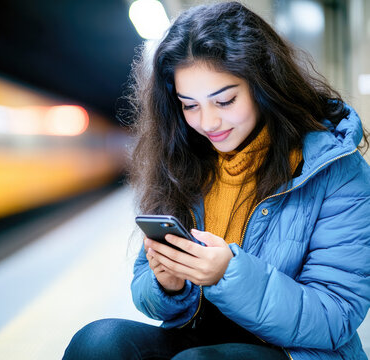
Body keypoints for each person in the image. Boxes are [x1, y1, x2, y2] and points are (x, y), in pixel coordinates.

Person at [63, 2, 370, 359]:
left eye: (224, 101)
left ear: (263, 84)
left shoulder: (333, 169)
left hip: (292, 351)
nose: (208, 123)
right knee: (98, 343)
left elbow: (335, 318)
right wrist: (167, 285)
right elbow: (147, 292)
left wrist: (229, 274)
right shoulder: (184, 160)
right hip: (199, 338)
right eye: (189, 105)